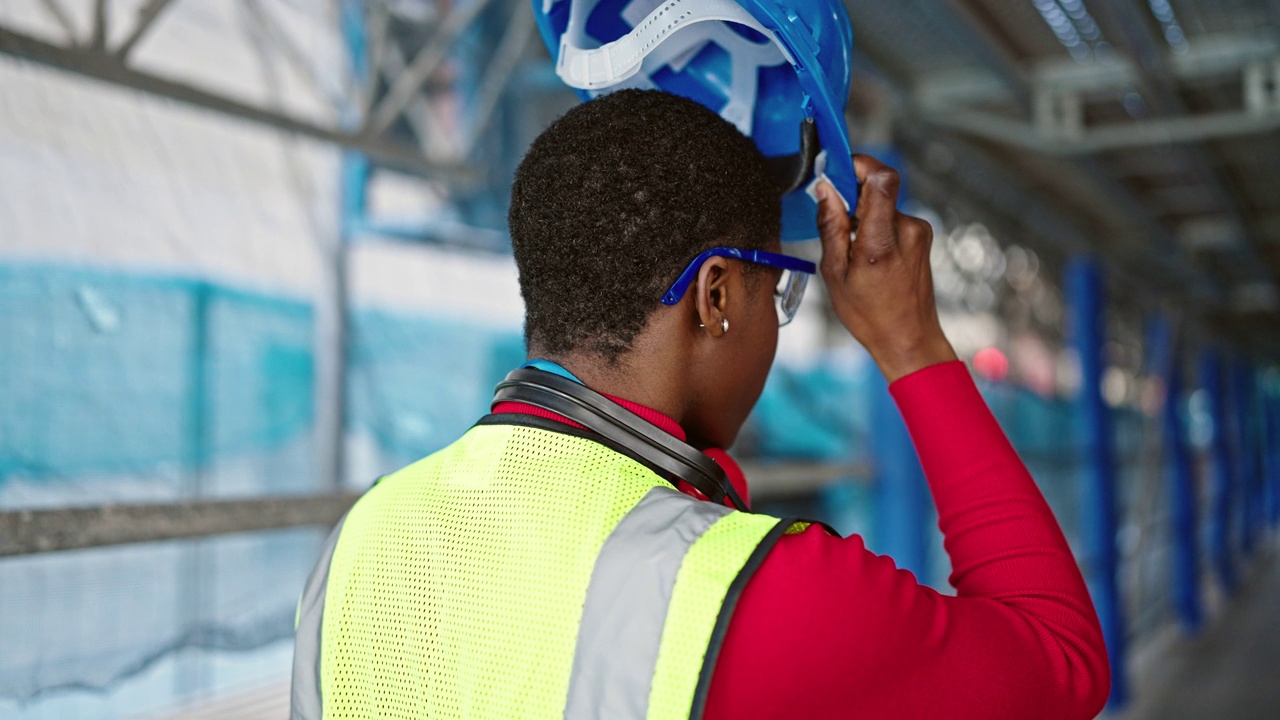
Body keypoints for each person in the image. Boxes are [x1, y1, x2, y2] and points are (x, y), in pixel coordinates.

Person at [291, 89, 1109, 720]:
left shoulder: (362, 539)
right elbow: (1060, 658)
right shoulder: (752, 586)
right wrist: (914, 345)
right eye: (775, 292)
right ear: (716, 296)